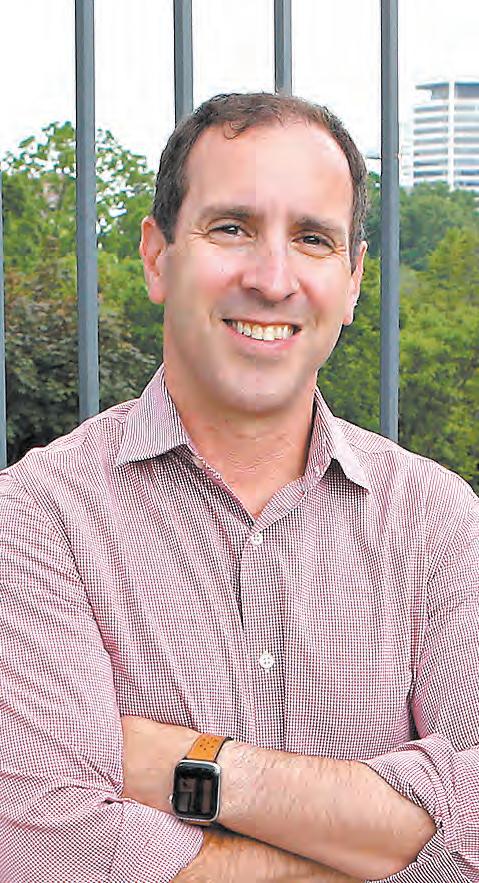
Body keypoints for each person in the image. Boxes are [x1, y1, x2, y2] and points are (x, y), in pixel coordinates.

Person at [0, 92, 477, 883]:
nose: (271, 277)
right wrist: (386, 841)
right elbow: (49, 850)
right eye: (231, 228)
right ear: (157, 256)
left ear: (353, 281)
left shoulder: (437, 522)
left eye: (312, 239)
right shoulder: (35, 519)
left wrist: (196, 767)